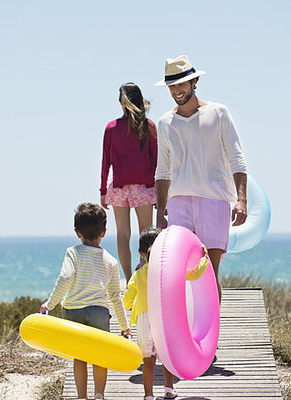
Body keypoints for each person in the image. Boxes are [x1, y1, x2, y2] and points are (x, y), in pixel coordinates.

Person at [154, 55, 248, 303]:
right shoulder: (165, 123)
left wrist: (241, 200)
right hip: (178, 203)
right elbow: (162, 171)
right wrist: (160, 211)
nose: (176, 90)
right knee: (183, 271)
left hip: (214, 200)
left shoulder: (218, 113)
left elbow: (237, 158)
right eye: (172, 85)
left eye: (181, 83)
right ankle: (187, 335)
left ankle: (211, 336)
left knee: (209, 270)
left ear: (194, 81)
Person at [40, 203, 131, 400]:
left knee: (79, 356)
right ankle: (99, 395)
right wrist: (124, 326)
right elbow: (116, 296)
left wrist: (50, 304)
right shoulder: (111, 261)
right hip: (98, 311)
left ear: (77, 232)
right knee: (100, 355)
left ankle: (82, 397)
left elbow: (65, 278)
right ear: (104, 232)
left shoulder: (73, 252)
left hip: (73, 310)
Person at [100, 82, 158, 283]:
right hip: (144, 188)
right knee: (148, 236)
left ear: (121, 102)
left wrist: (102, 191)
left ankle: (128, 280)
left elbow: (105, 162)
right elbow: (156, 161)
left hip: (118, 188)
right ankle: (145, 275)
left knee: (123, 235)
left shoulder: (111, 128)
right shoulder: (148, 126)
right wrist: (158, 191)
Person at [122, 226, 177, 400]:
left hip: (145, 319)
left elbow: (127, 300)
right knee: (166, 358)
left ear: (141, 252)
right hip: (163, 317)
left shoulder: (138, 275)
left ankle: (149, 395)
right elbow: (190, 277)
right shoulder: (168, 273)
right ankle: (169, 389)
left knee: (148, 360)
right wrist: (203, 259)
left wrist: (127, 304)